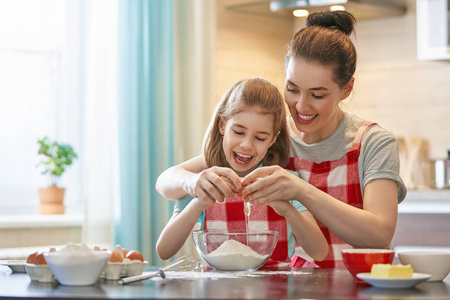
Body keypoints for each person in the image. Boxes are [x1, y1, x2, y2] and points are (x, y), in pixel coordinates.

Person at [156, 11, 407, 268]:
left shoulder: (374, 142)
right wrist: (194, 183)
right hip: (299, 289)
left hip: (363, 285)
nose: (301, 105)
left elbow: (378, 236)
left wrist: (301, 191)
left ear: (347, 89)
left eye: (317, 95)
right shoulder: (270, 140)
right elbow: (168, 179)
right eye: (292, 89)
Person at [156, 78, 329, 264]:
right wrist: (198, 203)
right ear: (222, 125)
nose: (246, 145)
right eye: (238, 132)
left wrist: (287, 209)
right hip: (217, 290)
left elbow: (319, 253)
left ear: (272, 140)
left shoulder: (283, 182)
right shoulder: (206, 181)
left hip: (278, 290)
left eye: (260, 138)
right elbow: (164, 250)